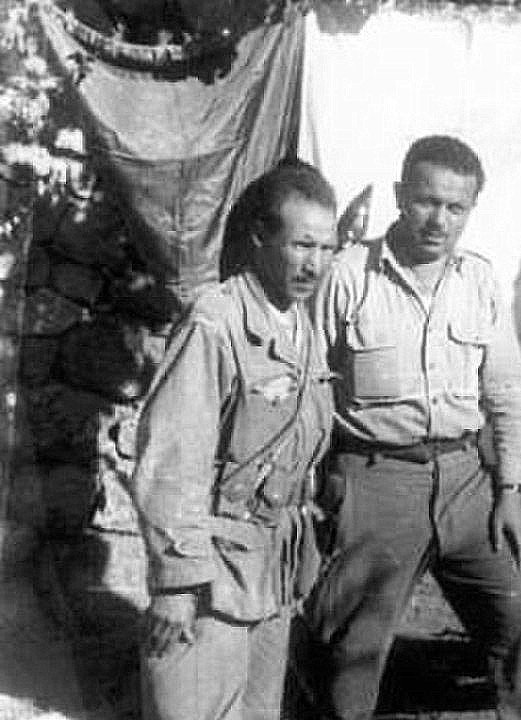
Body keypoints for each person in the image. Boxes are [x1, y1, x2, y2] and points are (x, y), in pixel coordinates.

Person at [304, 135, 521, 720]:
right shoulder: (348, 276)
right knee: (348, 652)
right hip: (376, 480)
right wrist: (321, 485)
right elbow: (309, 389)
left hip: (465, 480)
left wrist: (511, 494)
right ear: (402, 197)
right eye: (427, 201)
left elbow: (506, 394)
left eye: (456, 208)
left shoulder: (478, 282)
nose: (440, 220)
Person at [131, 159, 339, 720]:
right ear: (259, 240)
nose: (313, 264)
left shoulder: (301, 326)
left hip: (270, 574)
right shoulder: (216, 323)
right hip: (210, 576)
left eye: (326, 248)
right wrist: (176, 583)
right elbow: (174, 458)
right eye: (300, 246)